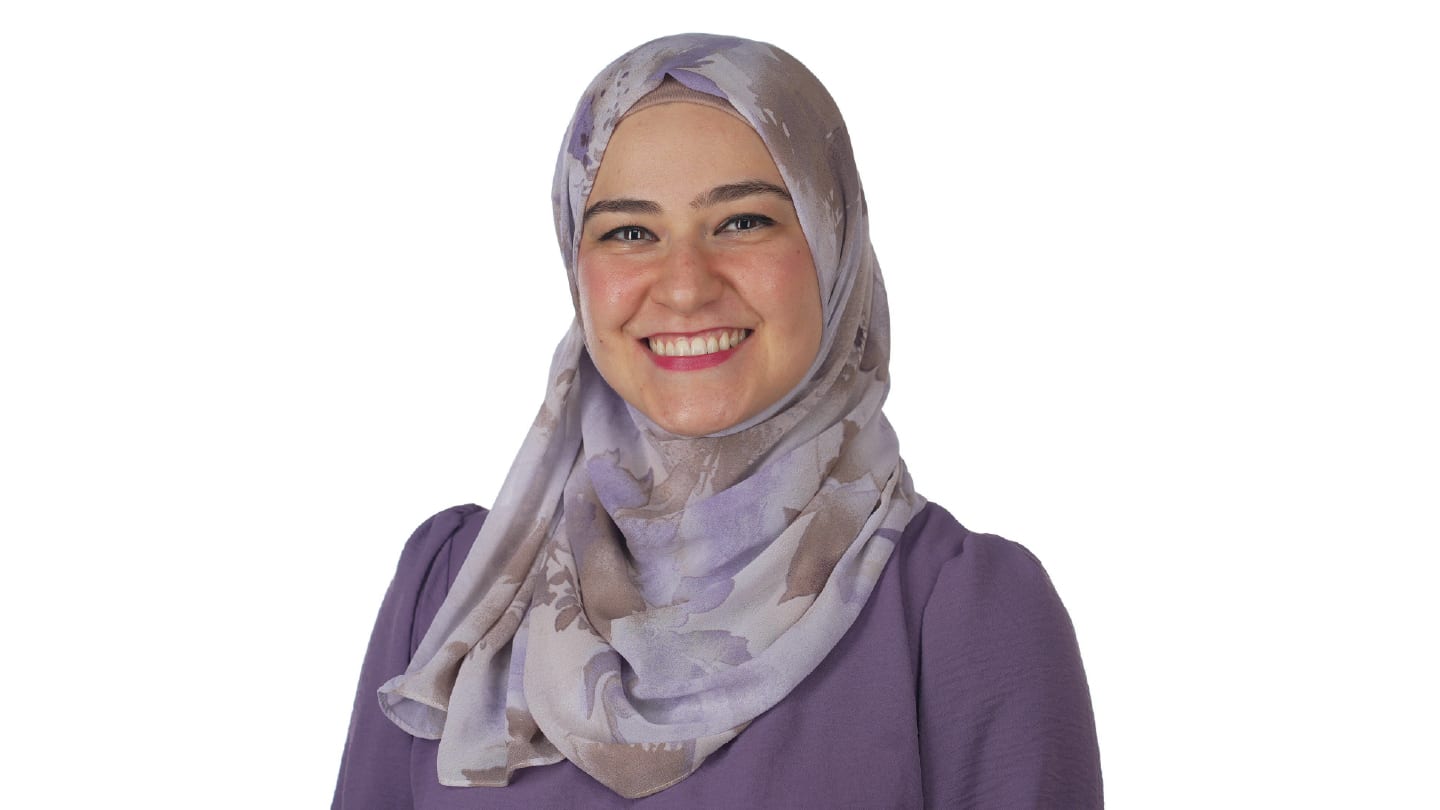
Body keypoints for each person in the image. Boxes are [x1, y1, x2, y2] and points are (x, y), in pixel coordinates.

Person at [333, 33, 1102, 808]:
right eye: (629, 232)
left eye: (742, 222)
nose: (685, 286)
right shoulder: (458, 592)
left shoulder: (963, 615)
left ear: (833, 245)